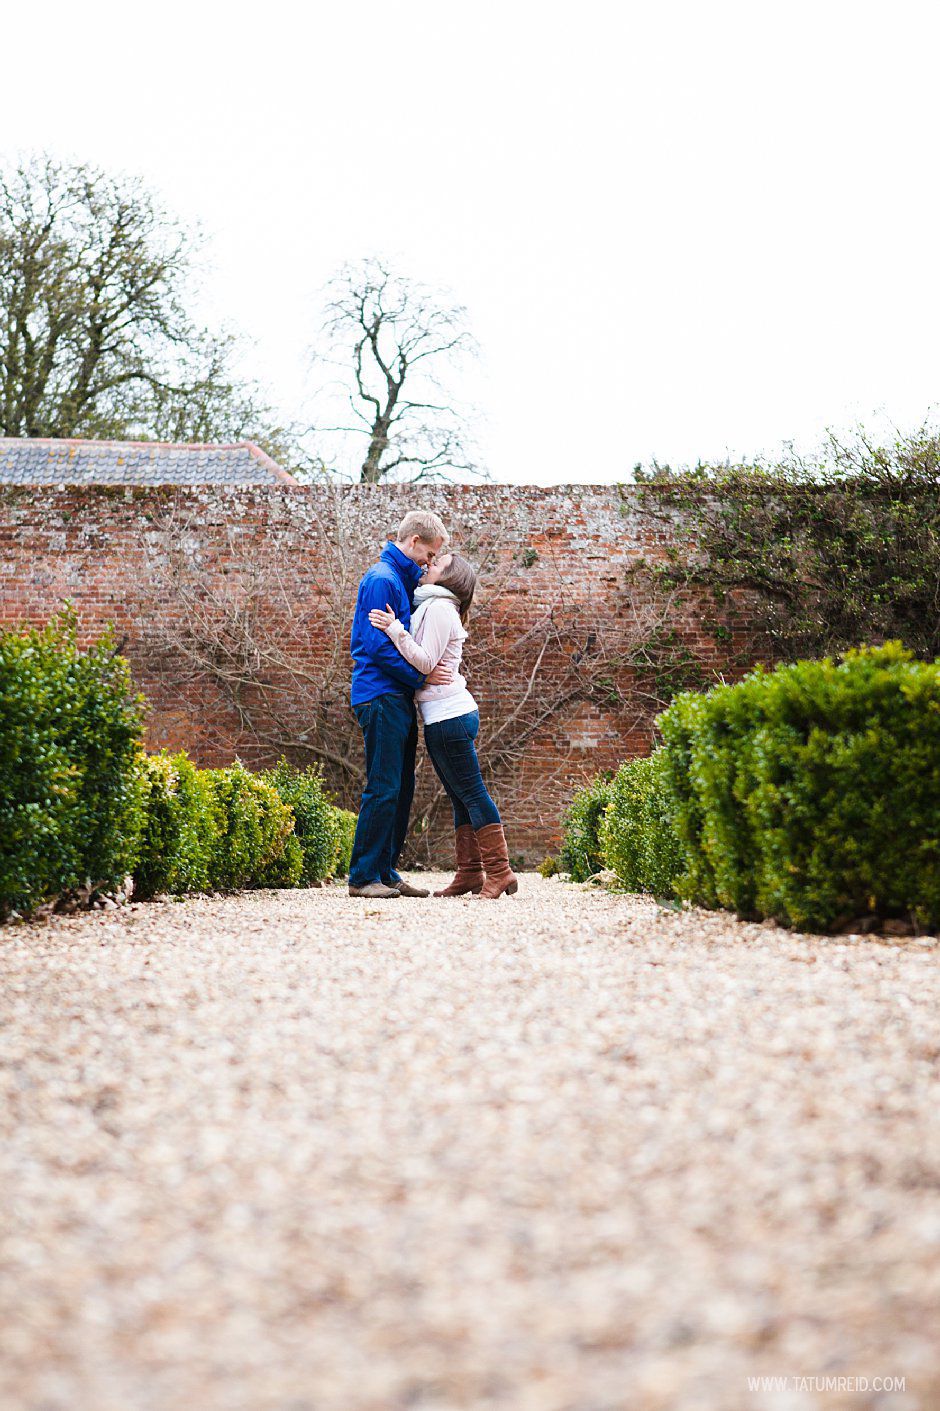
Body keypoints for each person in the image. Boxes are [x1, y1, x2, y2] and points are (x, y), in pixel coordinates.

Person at [368, 551, 518, 900]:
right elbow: (427, 664)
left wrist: (393, 629)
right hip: (444, 715)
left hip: (449, 717)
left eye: (435, 565)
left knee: (472, 793)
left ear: (447, 579)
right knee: (460, 797)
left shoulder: (438, 609)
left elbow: (424, 660)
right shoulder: (436, 606)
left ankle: (499, 871)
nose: (427, 567)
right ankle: (469, 873)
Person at [347, 510, 452, 899]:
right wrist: (422, 677)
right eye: (428, 554)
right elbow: (376, 649)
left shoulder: (399, 581)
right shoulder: (381, 579)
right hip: (379, 694)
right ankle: (362, 877)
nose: (429, 562)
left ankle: (386, 871)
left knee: (401, 786)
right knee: (383, 785)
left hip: (396, 695)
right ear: (412, 543)